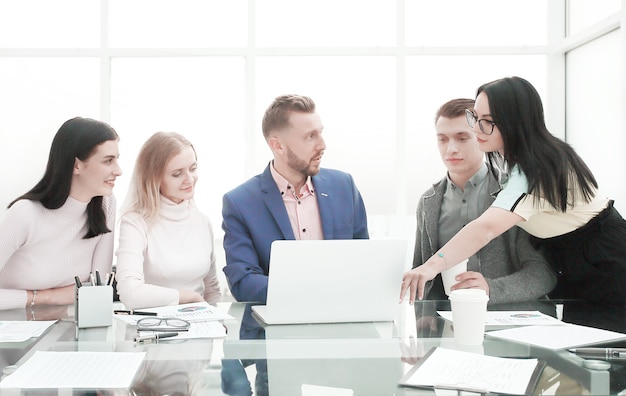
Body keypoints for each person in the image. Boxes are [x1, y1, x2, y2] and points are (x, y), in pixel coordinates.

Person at [401, 77, 626, 331]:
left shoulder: (537, 168)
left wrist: (431, 266)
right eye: (475, 117)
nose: (477, 130)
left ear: (513, 122)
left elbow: (485, 229)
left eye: (486, 122)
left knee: (606, 359)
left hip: (608, 265)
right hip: (581, 269)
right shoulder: (524, 162)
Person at [222, 94, 369, 303]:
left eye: (321, 133)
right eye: (310, 137)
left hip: (343, 321)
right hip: (276, 329)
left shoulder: (344, 187)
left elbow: (364, 262)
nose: (322, 145)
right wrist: (310, 291)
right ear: (278, 146)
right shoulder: (240, 202)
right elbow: (244, 283)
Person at [413, 98, 556, 304]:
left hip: (512, 322)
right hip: (448, 322)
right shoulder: (428, 202)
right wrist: (424, 314)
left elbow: (543, 274)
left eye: (462, 138)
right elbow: (421, 271)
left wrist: (490, 288)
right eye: (442, 139)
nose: (450, 149)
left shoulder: (514, 192)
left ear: (481, 137)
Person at [0, 117, 121, 311]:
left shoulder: (106, 206)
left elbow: (98, 289)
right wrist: (46, 297)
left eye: (117, 159)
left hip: (67, 327)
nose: (118, 170)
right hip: (11, 328)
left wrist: (55, 297)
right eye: (108, 161)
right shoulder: (24, 214)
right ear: (76, 165)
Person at [115, 132, 221, 309]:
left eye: (193, 168)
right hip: (155, 329)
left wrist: (217, 323)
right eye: (177, 174)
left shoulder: (202, 221)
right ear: (154, 178)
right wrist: (189, 298)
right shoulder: (135, 223)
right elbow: (130, 294)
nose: (189, 179)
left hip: (201, 324)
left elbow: (211, 289)